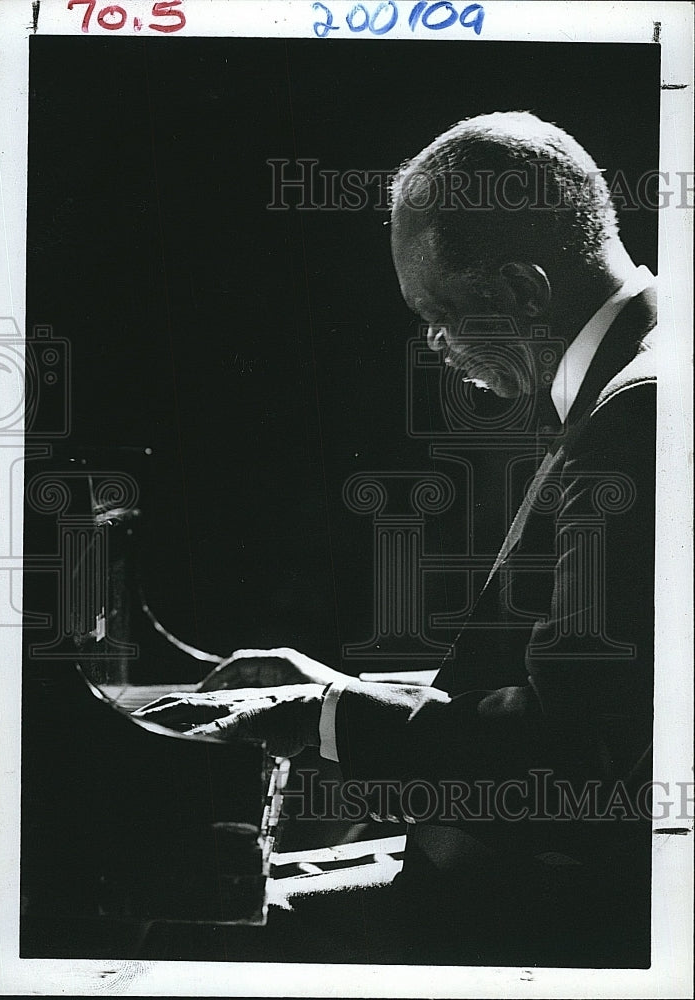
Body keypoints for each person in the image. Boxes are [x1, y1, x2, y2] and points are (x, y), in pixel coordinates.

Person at [135, 112, 657, 966]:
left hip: (564, 911)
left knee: (172, 936)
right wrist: (339, 687)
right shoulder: (644, 379)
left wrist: (319, 714)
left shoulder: (636, 416)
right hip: (541, 875)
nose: (436, 346)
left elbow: (574, 763)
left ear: (522, 292)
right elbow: (574, 689)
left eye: (438, 314)